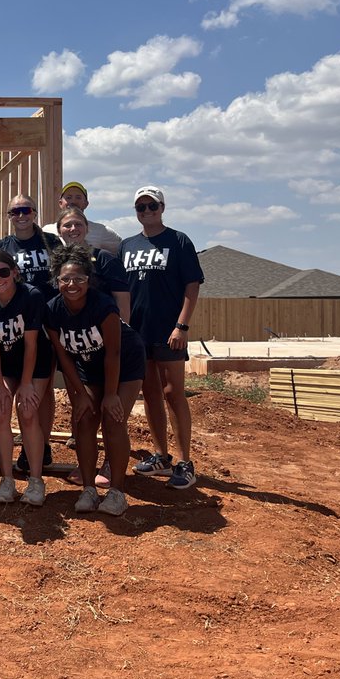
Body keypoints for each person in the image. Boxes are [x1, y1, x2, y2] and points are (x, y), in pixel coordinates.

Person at [44, 244, 146, 516]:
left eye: (78, 278)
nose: (72, 284)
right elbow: (64, 357)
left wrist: (110, 395)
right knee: (85, 418)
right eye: (65, 279)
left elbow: (113, 353)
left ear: (88, 280)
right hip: (88, 365)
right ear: (57, 281)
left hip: (124, 363)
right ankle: (89, 489)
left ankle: (117, 492)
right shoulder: (53, 310)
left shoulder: (103, 306)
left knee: (113, 418)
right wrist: (80, 395)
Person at [120, 185, 204, 491]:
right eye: (140, 208)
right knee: (151, 393)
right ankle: (161, 455)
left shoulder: (178, 241)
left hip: (169, 332)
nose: (146, 212)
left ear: (162, 208)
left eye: (151, 207)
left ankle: (185, 462)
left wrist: (181, 326)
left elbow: (191, 286)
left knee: (173, 392)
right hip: (137, 333)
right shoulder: (127, 245)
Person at [0, 250, 52, 505]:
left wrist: (26, 383)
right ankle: (7, 480)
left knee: (27, 412)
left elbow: (32, 344)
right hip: (3, 362)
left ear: (15, 271)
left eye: (3, 272)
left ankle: (36, 481)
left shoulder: (31, 296)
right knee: (1, 410)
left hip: (34, 362)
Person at [56, 206, 130, 488]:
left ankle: (112, 465)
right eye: (67, 226)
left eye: (78, 225)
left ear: (87, 228)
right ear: (59, 230)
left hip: (111, 343)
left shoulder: (105, 260)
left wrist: (121, 334)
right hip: (80, 345)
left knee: (113, 412)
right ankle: (85, 464)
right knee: (83, 410)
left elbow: (122, 302)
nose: (72, 230)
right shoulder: (60, 261)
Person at [0, 194, 63, 469]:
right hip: (14, 325)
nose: (21, 215)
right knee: (18, 386)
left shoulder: (52, 242)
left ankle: (41, 444)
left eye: (26, 210)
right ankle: (30, 443)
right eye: (15, 211)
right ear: (9, 216)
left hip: (46, 322)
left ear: (34, 212)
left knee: (43, 389)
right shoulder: (3, 245)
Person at [59, 182, 122, 256]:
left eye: (78, 197)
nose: (73, 201)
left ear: (86, 203)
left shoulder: (101, 230)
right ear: (60, 203)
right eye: (68, 197)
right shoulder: (48, 230)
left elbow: (124, 249)